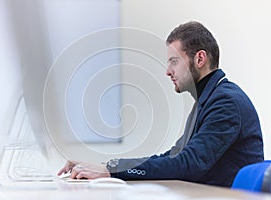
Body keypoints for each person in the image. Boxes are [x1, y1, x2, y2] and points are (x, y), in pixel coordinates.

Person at [57, 21, 264, 187]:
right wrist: (107, 166)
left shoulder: (225, 102)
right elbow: (175, 156)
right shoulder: (208, 99)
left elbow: (188, 164)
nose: (167, 71)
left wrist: (112, 170)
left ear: (200, 58)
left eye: (174, 61)